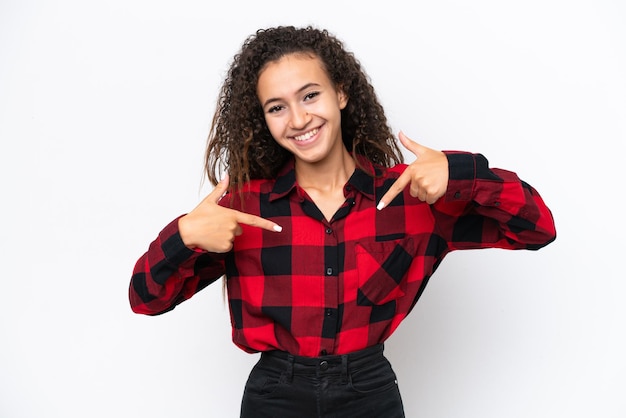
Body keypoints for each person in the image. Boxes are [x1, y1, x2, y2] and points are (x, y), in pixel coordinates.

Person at [129, 25, 556, 417]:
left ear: (341, 94)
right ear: (263, 119)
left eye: (310, 95)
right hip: (274, 396)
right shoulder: (244, 209)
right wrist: (185, 236)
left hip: (369, 393)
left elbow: (537, 228)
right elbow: (146, 298)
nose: (298, 119)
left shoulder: (414, 201)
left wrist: (462, 174)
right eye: (277, 107)